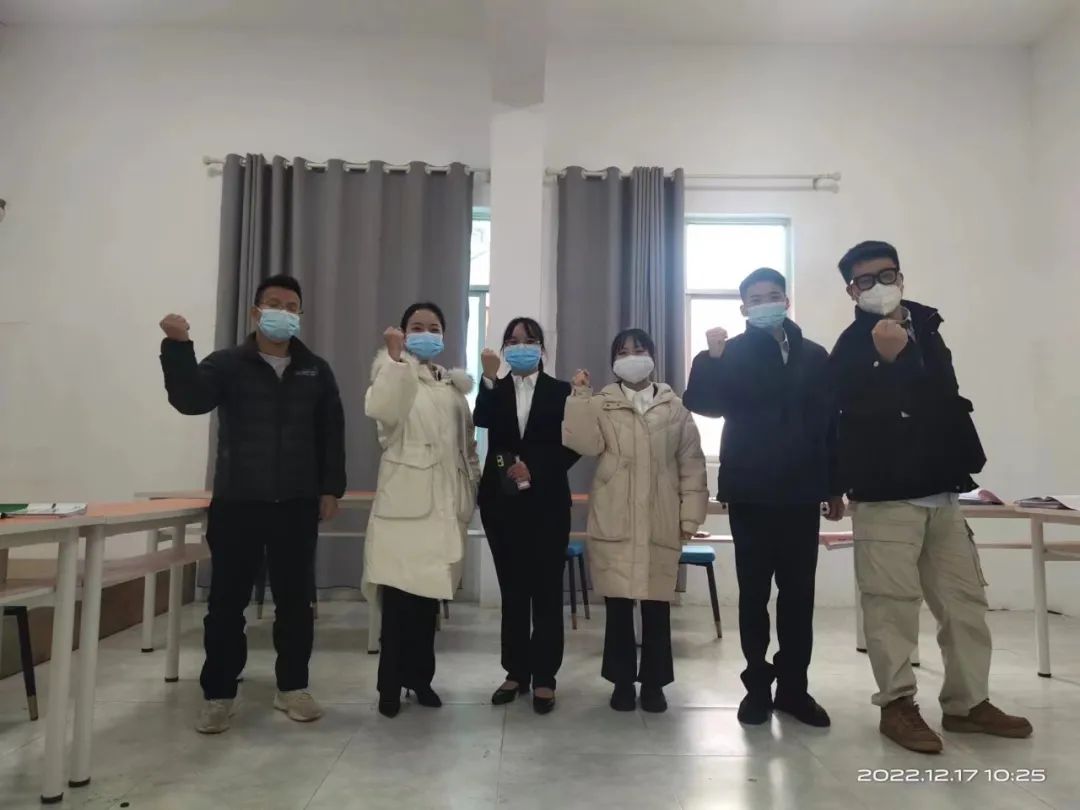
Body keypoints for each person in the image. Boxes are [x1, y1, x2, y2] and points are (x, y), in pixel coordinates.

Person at [830, 242, 1034, 752]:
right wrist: (886, 362)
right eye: (865, 280)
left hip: (943, 490)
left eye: (887, 275)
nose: (879, 287)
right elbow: (852, 414)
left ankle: (968, 704)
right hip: (885, 495)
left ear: (901, 276)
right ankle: (897, 705)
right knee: (891, 607)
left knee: (965, 602)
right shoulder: (851, 346)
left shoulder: (928, 325)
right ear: (852, 291)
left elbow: (941, 397)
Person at [159, 274, 345, 734]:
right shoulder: (227, 364)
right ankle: (219, 694)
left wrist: (330, 489)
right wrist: (178, 347)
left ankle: (293, 687)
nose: (284, 312)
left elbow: (331, 432)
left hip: (296, 503)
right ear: (256, 312)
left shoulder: (315, 369)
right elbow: (190, 400)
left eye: (292, 306)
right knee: (226, 604)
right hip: (238, 502)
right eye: (274, 304)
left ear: (300, 315)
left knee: (296, 603)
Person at [683, 267, 841, 728]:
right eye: (756, 299)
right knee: (753, 595)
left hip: (801, 493)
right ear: (744, 308)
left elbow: (830, 423)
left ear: (787, 301)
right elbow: (704, 403)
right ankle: (756, 688)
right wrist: (711, 358)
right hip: (750, 491)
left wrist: (834, 485)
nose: (766, 303)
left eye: (773, 295)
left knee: (798, 597)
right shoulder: (728, 353)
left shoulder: (815, 356)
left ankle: (794, 689)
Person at [562, 329, 708, 713]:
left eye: (639, 349)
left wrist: (690, 516)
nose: (632, 356)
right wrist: (579, 397)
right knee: (619, 605)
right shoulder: (601, 403)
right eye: (623, 351)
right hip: (616, 516)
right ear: (614, 361)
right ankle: (622, 681)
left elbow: (691, 465)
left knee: (657, 605)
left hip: (661, 517)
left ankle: (655, 684)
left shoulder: (675, 408)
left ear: (652, 356)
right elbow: (583, 444)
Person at [363, 302, 480, 718]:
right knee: (398, 601)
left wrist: (471, 486)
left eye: (434, 327)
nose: (426, 333)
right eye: (417, 326)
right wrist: (396, 360)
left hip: (445, 505)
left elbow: (467, 446)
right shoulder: (392, 373)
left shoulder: (451, 386)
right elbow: (383, 412)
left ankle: (420, 678)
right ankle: (389, 686)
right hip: (405, 505)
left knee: (428, 603)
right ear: (403, 332)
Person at [474, 318, 578, 714]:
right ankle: (515, 672)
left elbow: (574, 445)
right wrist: (488, 378)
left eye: (529, 340)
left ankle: (545, 677)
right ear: (504, 348)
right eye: (513, 341)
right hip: (502, 503)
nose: (521, 346)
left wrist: (535, 466)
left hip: (548, 502)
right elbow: (481, 420)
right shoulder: (495, 389)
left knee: (547, 592)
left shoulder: (562, 391)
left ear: (541, 348)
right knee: (513, 591)